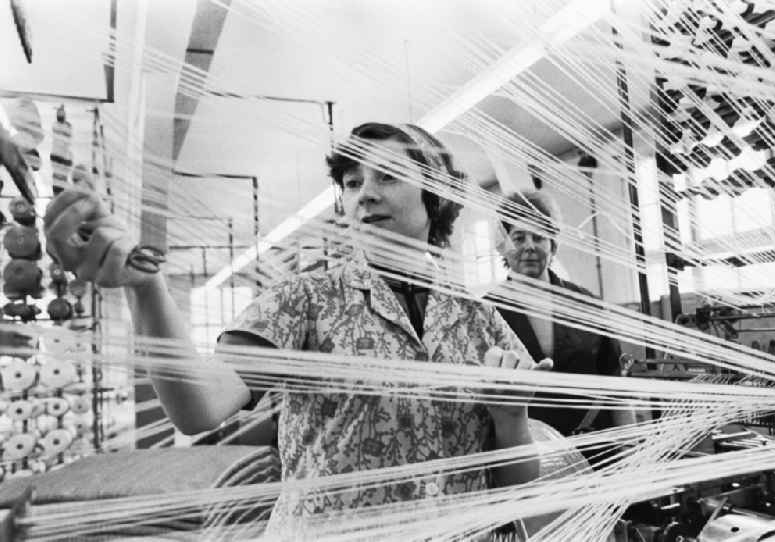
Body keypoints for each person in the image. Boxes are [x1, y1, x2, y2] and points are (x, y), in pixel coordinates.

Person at [33, 122, 547, 538]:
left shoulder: (480, 324)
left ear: (437, 196)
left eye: (387, 177)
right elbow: (199, 407)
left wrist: (510, 420)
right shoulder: (304, 300)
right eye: (351, 182)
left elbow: (515, 482)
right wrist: (146, 288)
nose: (364, 195)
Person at [495, 190, 634, 463]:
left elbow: (615, 380)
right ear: (503, 245)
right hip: (532, 458)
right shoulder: (486, 312)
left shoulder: (586, 304)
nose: (530, 246)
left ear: (553, 246)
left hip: (598, 449)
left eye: (539, 237)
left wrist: (630, 446)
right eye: (519, 237)